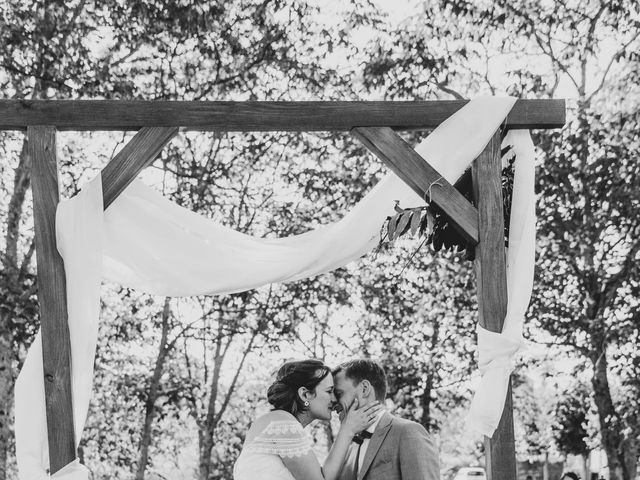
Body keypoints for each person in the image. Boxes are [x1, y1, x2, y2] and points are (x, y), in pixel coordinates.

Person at [234, 359, 383, 480]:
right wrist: (347, 430)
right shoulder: (282, 423)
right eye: (329, 391)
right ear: (305, 395)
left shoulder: (275, 423)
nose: (334, 399)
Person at [333, 359, 440, 480]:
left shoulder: (408, 432)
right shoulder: (345, 445)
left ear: (364, 389)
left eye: (339, 394)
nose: (333, 403)